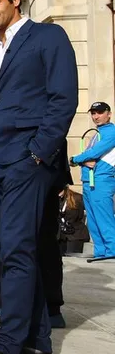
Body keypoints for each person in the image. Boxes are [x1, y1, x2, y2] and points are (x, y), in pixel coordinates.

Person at [0, 0, 78, 354]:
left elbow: (63, 99)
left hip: (28, 161)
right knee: (11, 251)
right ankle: (36, 341)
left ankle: (7, 345)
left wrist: (37, 154)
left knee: (16, 251)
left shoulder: (48, 37)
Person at [70, 101, 115, 260]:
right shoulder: (98, 133)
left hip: (101, 181)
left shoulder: (111, 132)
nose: (96, 116)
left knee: (104, 218)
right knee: (93, 221)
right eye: (93, 113)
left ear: (109, 114)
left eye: (100, 112)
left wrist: (74, 159)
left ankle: (111, 252)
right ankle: (101, 252)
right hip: (89, 181)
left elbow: (94, 153)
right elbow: (89, 158)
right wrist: (81, 161)